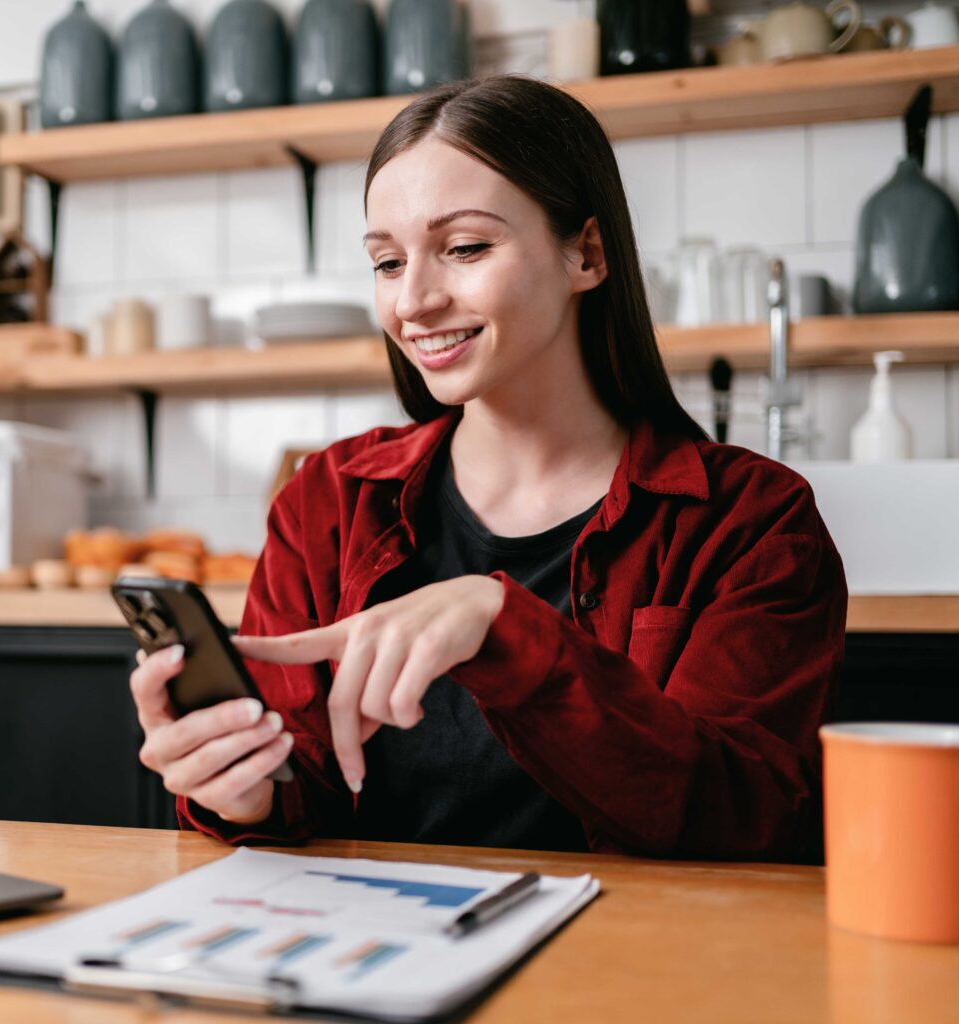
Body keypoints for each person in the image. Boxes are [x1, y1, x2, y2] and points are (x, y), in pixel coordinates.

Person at [130, 76, 847, 862]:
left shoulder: (751, 521)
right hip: (381, 959)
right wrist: (243, 790)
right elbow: (305, 797)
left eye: (465, 248)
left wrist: (510, 634)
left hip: (634, 968)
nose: (414, 301)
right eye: (387, 262)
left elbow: (738, 819)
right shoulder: (327, 502)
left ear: (588, 253)